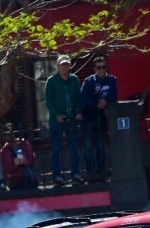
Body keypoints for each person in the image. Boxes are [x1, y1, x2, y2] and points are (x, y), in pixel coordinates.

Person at [45, 54, 83, 184]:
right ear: (58, 66)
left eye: (67, 64)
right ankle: (57, 176)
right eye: (62, 64)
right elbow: (48, 101)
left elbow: (78, 98)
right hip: (56, 121)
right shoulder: (51, 80)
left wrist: (79, 111)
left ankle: (76, 174)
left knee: (74, 148)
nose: (65, 67)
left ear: (70, 65)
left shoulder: (74, 79)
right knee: (56, 149)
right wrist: (56, 115)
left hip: (71, 119)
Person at [80, 54, 118, 182]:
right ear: (95, 69)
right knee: (89, 146)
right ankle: (91, 172)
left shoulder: (112, 80)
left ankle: (101, 172)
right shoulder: (88, 81)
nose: (102, 70)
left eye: (104, 67)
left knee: (101, 145)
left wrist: (105, 103)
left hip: (102, 118)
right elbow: (84, 98)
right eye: (99, 67)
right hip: (89, 117)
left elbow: (114, 97)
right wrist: (96, 105)